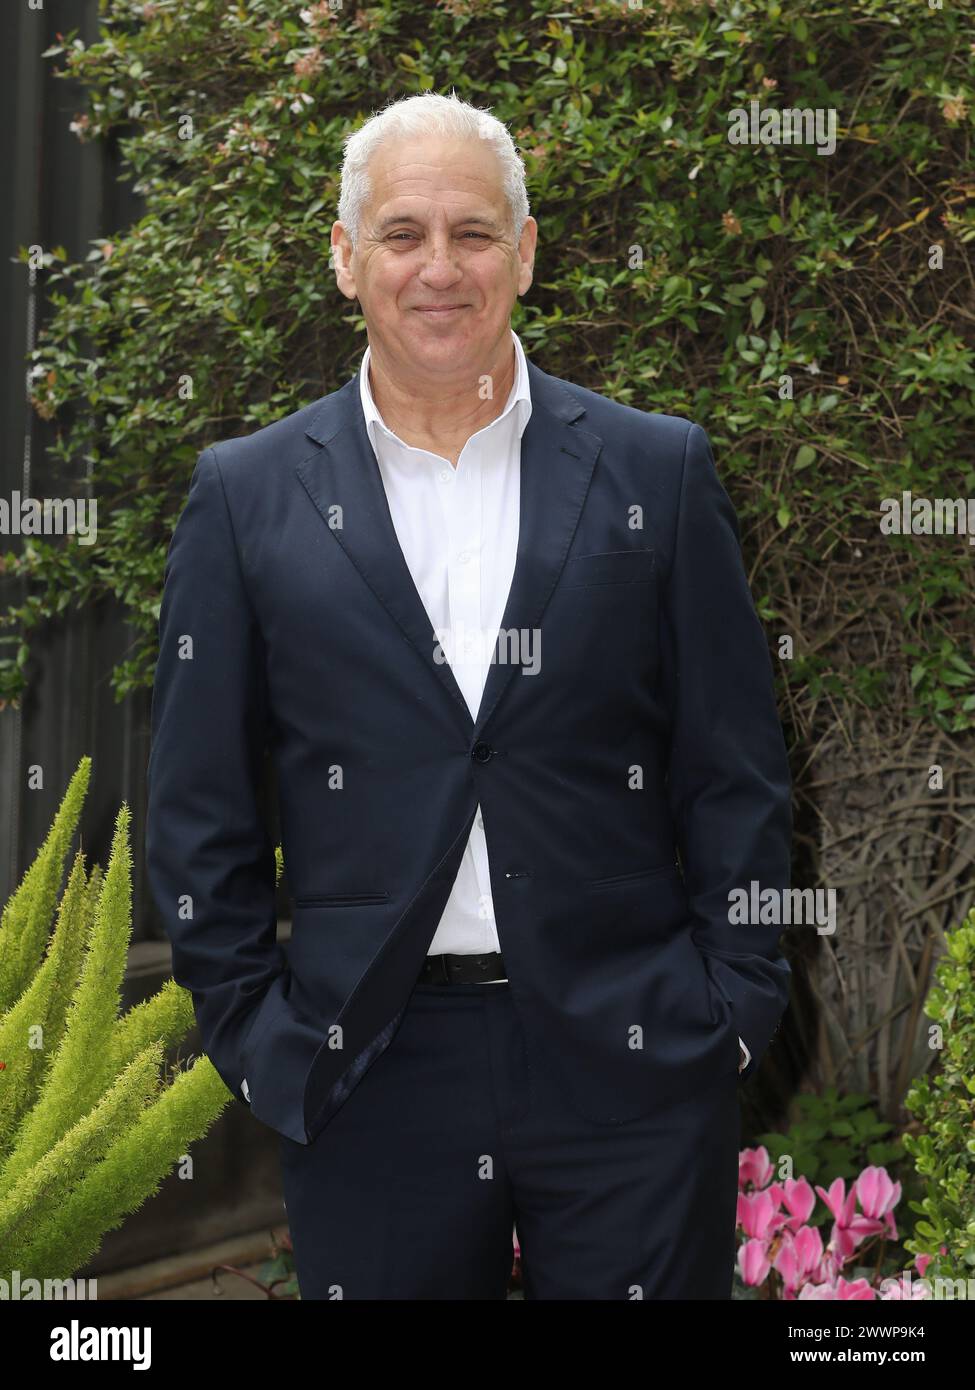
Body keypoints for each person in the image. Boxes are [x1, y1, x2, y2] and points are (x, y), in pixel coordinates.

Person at [146, 90, 792, 1300]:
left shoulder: (659, 467)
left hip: (634, 1059)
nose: (438, 267)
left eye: (473, 232)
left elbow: (734, 769)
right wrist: (261, 1038)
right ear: (346, 260)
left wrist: (733, 1009)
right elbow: (199, 809)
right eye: (402, 234)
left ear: (525, 252)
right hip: (369, 1067)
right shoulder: (244, 497)